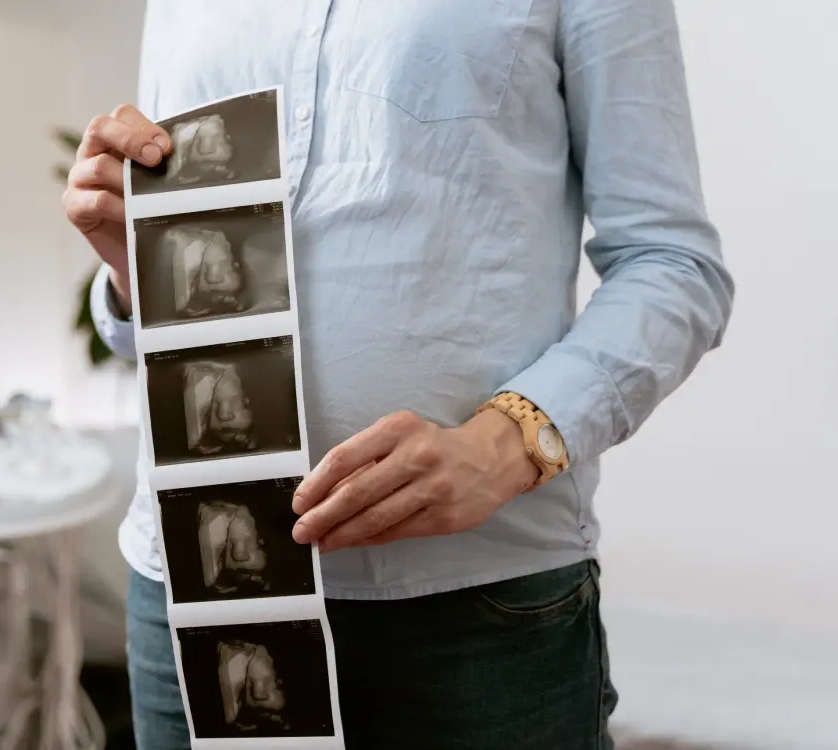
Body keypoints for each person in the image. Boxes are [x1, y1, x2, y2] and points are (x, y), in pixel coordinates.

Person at [62, 1, 734, 748]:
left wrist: (510, 441)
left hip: (472, 605)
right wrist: (134, 274)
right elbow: (166, 295)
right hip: (188, 590)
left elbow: (675, 266)